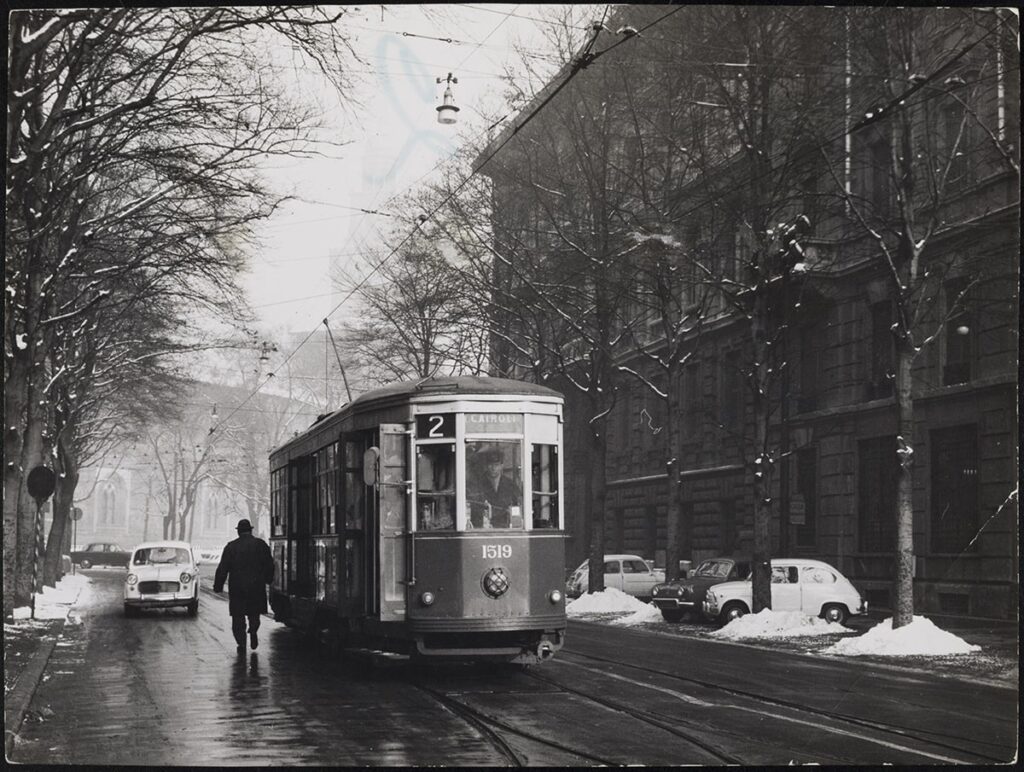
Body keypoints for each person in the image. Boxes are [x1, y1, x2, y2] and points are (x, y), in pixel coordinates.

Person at [214, 519, 275, 653]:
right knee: (254, 614)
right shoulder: (261, 545)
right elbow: (269, 564)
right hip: (256, 587)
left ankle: (241, 643)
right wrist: (268, 579)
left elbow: (223, 568)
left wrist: (218, 585)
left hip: (237, 588)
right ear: (250, 530)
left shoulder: (231, 547)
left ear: (239, 532)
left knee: (238, 617)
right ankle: (253, 630)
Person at [466, 448, 520, 529]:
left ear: (502, 466)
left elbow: (517, 506)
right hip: (483, 528)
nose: (493, 468)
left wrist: (516, 524)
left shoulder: (510, 484)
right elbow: (473, 508)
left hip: (506, 529)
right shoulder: (477, 483)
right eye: (490, 465)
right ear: (486, 465)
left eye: (496, 465)